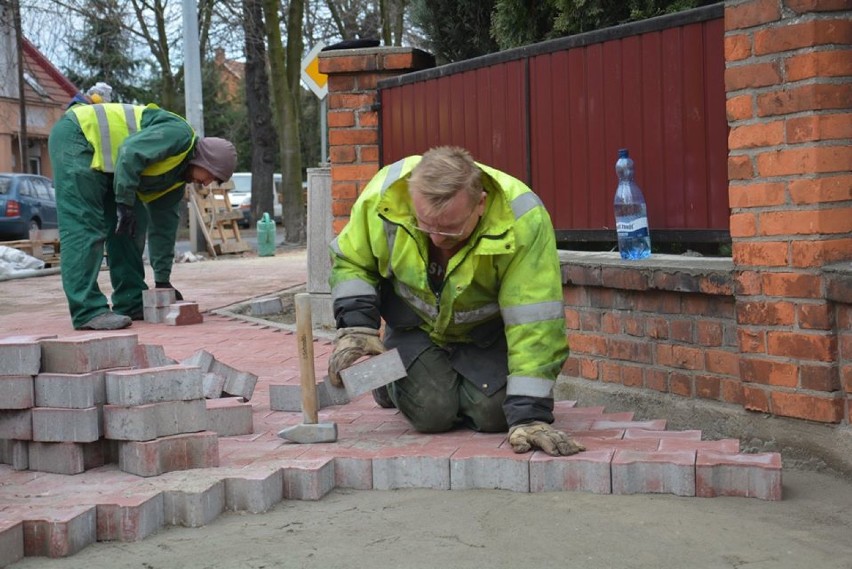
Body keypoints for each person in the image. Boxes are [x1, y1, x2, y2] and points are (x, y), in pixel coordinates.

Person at [327, 146, 584, 456]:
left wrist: (529, 416)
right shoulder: (383, 197)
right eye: (426, 224)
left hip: (481, 336)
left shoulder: (523, 221)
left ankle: (439, 381)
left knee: (495, 415)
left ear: (480, 204)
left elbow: (535, 320)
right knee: (432, 412)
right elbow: (353, 261)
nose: (436, 238)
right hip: (415, 326)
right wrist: (357, 326)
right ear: (412, 199)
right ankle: (390, 385)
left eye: (450, 229)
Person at [48, 102, 237, 330]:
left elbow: (164, 229)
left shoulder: (175, 180)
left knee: (130, 229)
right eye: (212, 176)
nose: (207, 183)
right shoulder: (179, 135)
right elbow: (130, 150)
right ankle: (87, 311)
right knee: (84, 227)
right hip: (79, 137)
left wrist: (162, 281)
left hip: (113, 167)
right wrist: (124, 204)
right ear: (205, 160)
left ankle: (131, 302)